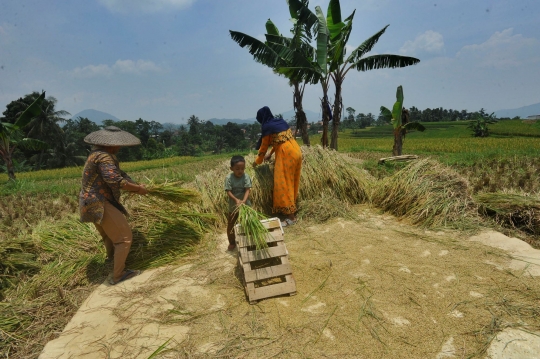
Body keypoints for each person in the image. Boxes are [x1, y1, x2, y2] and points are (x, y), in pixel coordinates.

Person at [79, 126, 148, 285]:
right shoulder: (104, 157)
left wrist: (136, 185)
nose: (118, 148)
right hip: (99, 202)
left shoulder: (95, 154)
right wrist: (138, 189)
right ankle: (118, 275)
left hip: (88, 202)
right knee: (123, 238)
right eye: (117, 145)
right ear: (110, 145)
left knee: (109, 236)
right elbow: (115, 180)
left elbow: (120, 175)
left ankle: (113, 261)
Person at [253, 106, 302, 227]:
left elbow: (263, 147)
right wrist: (271, 154)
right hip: (296, 151)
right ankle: (291, 208)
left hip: (286, 155)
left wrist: (256, 162)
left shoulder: (267, 127)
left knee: (283, 184)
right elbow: (281, 140)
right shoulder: (280, 122)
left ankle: (291, 217)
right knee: (292, 182)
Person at [224, 155, 252, 251]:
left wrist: (243, 201)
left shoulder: (246, 176)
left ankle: (249, 240)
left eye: (242, 168)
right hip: (233, 206)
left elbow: (247, 190)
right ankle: (232, 242)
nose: (240, 171)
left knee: (248, 222)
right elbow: (228, 191)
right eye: (237, 169)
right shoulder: (229, 178)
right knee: (231, 224)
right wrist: (236, 200)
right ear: (231, 168)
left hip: (246, 205)